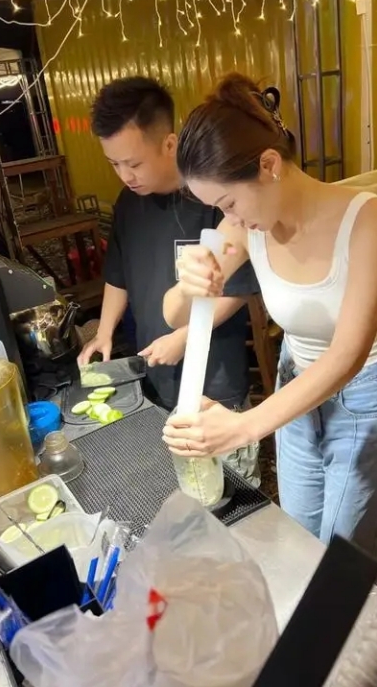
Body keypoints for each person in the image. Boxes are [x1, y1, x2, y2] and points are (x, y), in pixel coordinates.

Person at [162, 73, 377, 589]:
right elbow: (174, 316)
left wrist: (244, 426)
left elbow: (347, 354)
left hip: (365, 396)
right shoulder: (243, 227)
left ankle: (363, 642)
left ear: (269, 165)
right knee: (301, 545)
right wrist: (188, 285)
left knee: (349, 572)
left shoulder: (369, 219)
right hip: (295, 387)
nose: (226, 217)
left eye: (228, 202)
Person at [78, 76, 261, 486]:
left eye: (134, 163)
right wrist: (104, 332)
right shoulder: (129, 204)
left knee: (229, 482)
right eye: (114, 164)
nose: (125, 175)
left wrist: (184, 338)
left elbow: (240, 290)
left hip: (214, 376)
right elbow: (117, 274)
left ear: (169, 143)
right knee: (175, 479)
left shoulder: (213, 200)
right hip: (155, 371)